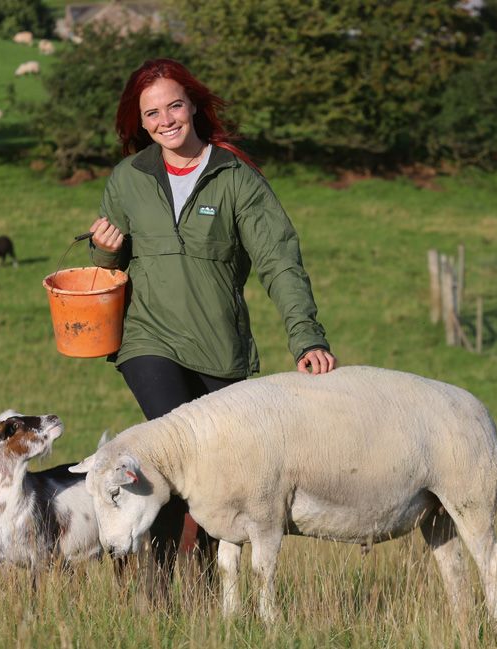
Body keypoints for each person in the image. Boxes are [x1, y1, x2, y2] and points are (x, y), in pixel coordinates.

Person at [86, 58, 336, 595]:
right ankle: (155, 593)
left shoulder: (235, 177)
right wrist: (103, 253)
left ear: (194, 105)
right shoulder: (129, 179)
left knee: (218, 478)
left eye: (174, 105)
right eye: (151, 112)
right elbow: (107, 275)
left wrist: (306, 336)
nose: (165, 119)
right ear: (140, 120)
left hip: (221, 350)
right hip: (147, 342)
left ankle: (202, 592)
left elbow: (279, 261)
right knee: (170, 454)